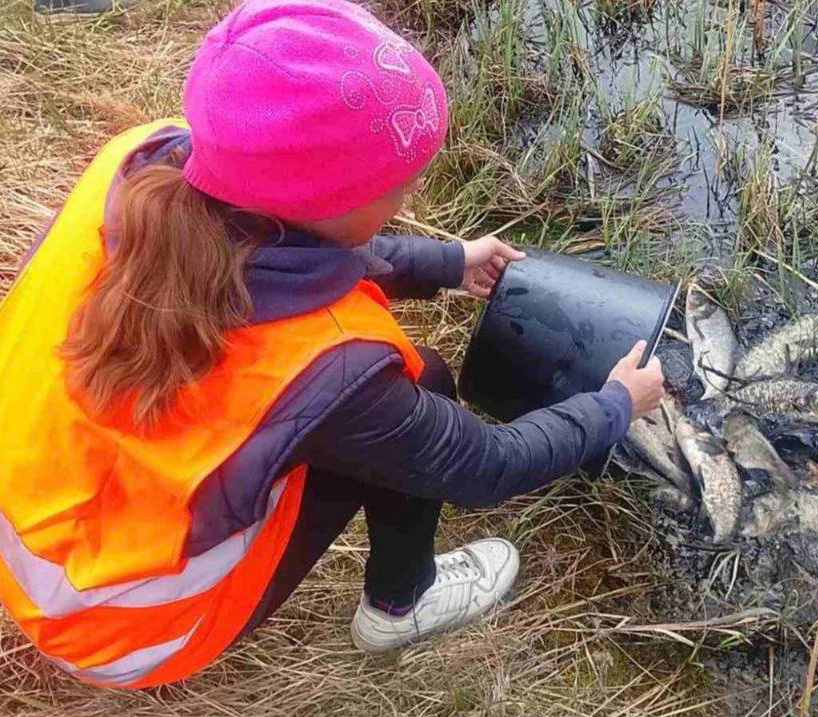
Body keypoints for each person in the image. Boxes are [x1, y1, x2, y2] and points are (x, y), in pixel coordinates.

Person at [0, 0, 665, 690]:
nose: (410, 194)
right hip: (117, 624)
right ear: (334, 204)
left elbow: (288, 243)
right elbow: (488, 465)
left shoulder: (141, 163)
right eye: (398, 185)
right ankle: (398, 607)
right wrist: (616, 402)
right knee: (425, 381)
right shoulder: (332, 370)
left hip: (40, 519)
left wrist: (449, 262)